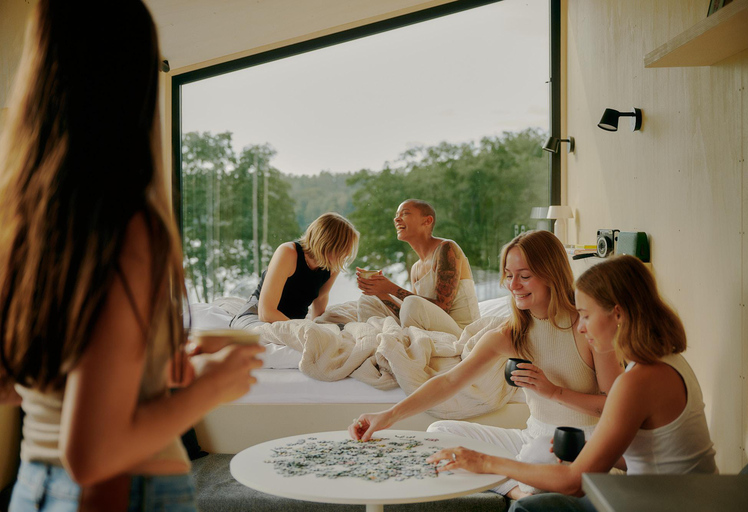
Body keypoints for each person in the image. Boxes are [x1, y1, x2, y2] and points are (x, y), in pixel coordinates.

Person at [0, 2, 264, 510]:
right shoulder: (126, 227)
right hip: (122, 492)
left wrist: (153, 370)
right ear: (133, 81)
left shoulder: (28, 222)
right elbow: (94, 455)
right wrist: (213, 387)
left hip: (35, 487)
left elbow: (22, 385)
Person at [425, 255, 718, 512]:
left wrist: (484, 462)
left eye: (586, 315)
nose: (580, 326)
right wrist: (585, 449)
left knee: (529, 508)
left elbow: (574, 484)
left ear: (617, 314)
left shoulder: (638, 381)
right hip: (674, 495)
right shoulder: (668, 362)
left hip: (660, 504)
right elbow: (653, 457)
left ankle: (514, 489)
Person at [349, 230, 624, 499]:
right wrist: (388, 416)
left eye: (524, 276)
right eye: (508, 276)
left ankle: (520, 486)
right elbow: (449, 382)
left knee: (539, 451)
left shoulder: (587, 326)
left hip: (583, 444)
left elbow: (615, 405)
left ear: (552, 275)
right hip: (532, 436)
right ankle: (518, 490)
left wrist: (553, 392)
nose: (513, 285)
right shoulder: (511, 333)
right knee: (440, 432)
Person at [355, 199, 480, 337]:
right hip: (431, 328)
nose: (396, 219)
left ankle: (400, 340)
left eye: (405, 214)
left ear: (427, 221)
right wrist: (379, 292)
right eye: (396, 215)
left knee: (412, 303)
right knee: (368, 300)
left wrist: (390, 288)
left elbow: (441, 308)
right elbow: (412, 315)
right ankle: (377, 340)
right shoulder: (415, 268)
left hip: (461, 332)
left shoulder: (446, 248)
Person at [230, 212, 359, 328]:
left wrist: (317, 327)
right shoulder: (288, 252)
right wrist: (303, 329)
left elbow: (320, 299)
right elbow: (266, 313)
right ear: (328, 244)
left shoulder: (332, 264)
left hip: (293, 322)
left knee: (339, 333)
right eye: (343, 248)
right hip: (256, 315)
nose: (346, 254)